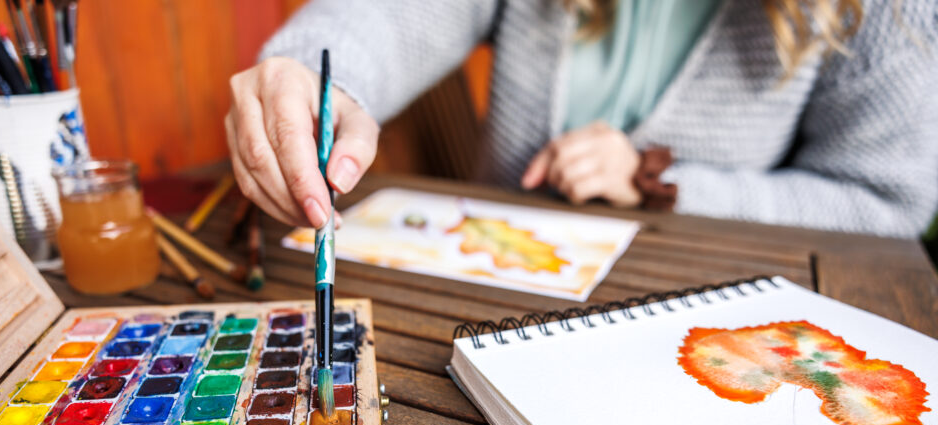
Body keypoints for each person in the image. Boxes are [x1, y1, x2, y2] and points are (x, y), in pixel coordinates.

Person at [225, 0, 938, 238]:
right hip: (487, 312)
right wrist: (314, 74)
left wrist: (664, 184)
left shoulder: (888, 15)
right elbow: (388, 15)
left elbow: (885, 204)